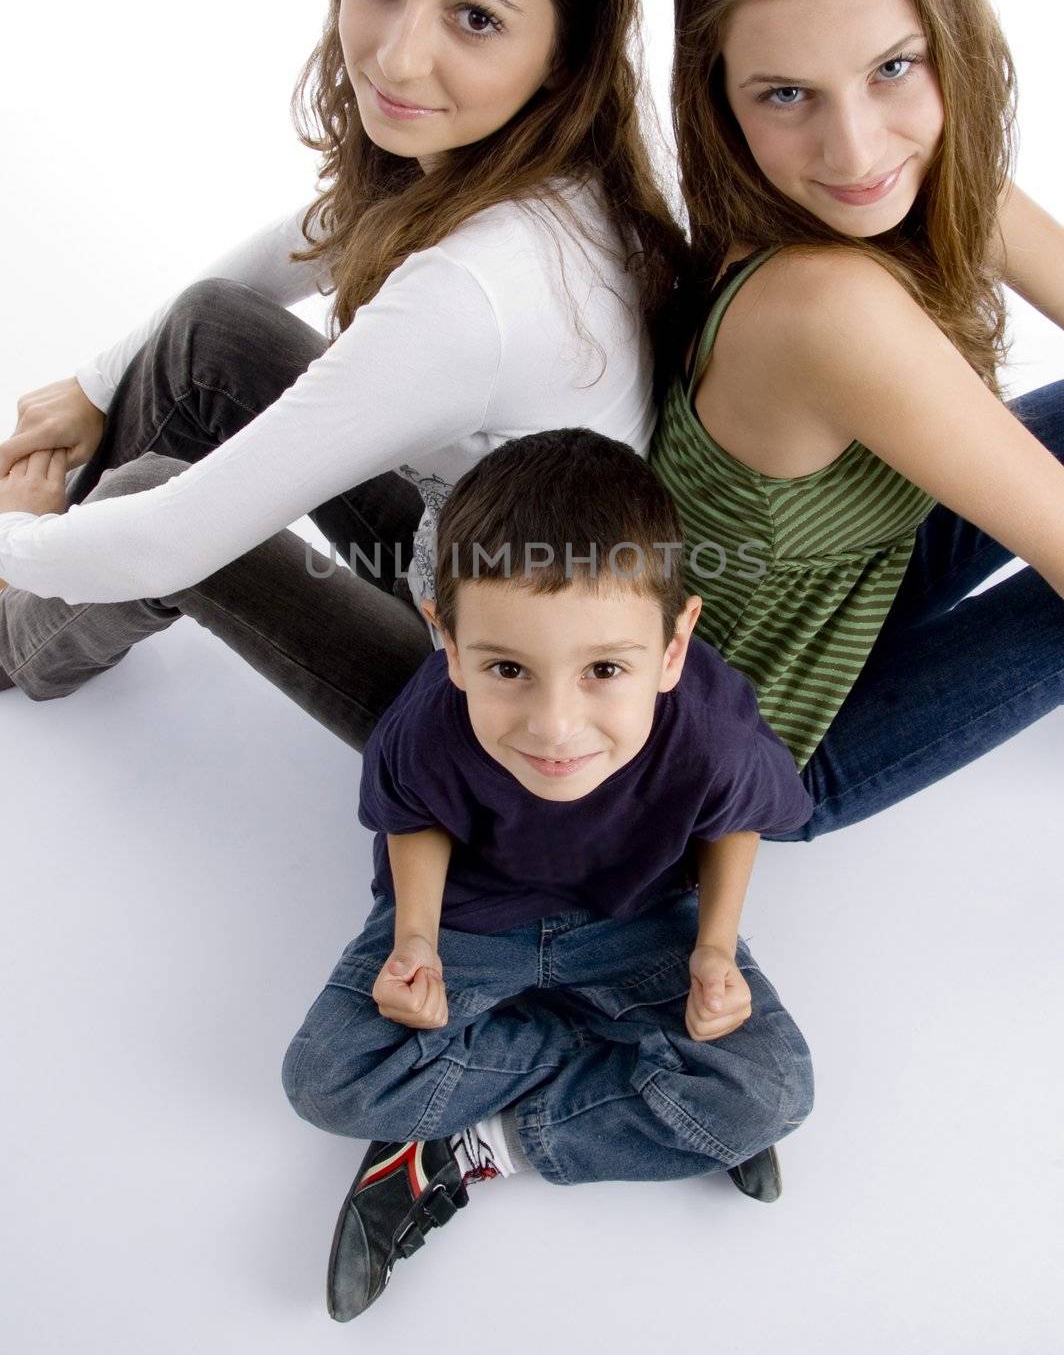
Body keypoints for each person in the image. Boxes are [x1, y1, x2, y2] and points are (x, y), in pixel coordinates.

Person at [0, 0, 684, 747]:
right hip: (459, 550)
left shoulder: (478, 291)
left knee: (147, 502)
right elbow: (315, 233)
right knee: (207, 329)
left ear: (566, 44)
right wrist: (95, 383)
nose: (398, 57)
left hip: (486, 707)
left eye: (474, 16)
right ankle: (49, 548)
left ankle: (16, 630)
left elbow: (171, 539)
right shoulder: (560, 131)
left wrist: (21, 540)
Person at [281, 428, 814, 1322]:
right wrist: (416, 941)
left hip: (637, 924)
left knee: (776, 1091)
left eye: (605, 669)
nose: (555, 726)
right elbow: (415, 816)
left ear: (674, 646)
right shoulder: (426, 726)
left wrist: (715, 952)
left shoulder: (714, 735)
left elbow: (738, 822)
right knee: (325, 1080)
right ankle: (643, 1076)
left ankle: (469, 1144)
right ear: (446, 643)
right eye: (506, 670)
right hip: (471, 920)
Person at [650, 0, 1064, 839]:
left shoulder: (914, 167)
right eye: (785, 94)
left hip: (863, 566)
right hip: (772, 736)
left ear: (949, 40)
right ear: (720, 102)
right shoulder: (819, 306)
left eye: (891, 67)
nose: (853, 149)